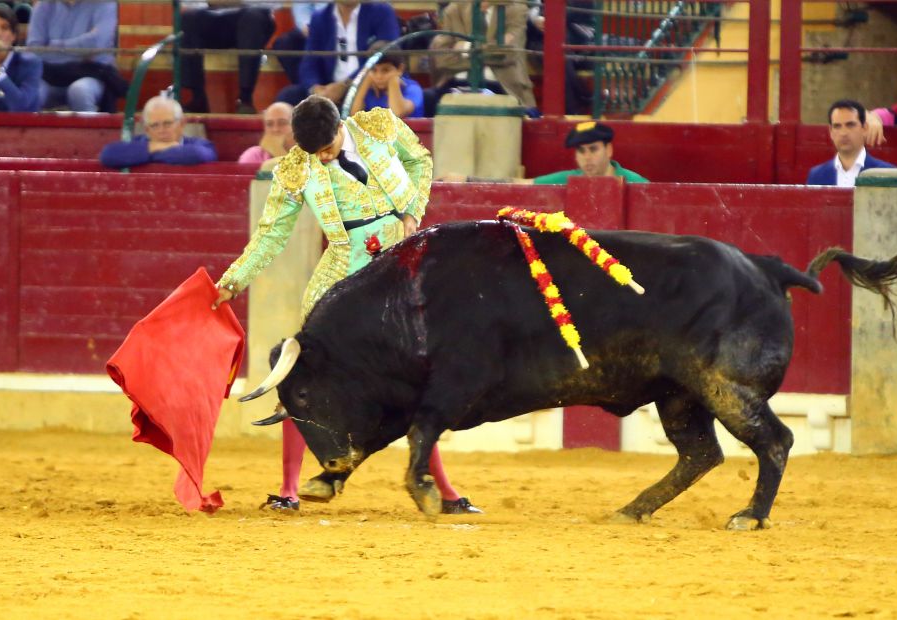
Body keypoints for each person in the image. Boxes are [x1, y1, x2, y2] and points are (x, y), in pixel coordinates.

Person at [212, 95, 481, 515]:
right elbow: (270, 234)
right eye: (313, 152)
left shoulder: (378, 127)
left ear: (341, 126)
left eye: (328, 148)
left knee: (415, 374)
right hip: (341, 268)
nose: (322, 157)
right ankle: (288, 489)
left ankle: (443, 490)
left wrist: (412, 211)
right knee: (300, 375)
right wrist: (232, 281)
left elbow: (420, 162)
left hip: (399, 261)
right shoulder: (297, 168)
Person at [275, 1, 400, 108]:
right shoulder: (320, 17)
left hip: (369, 85)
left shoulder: (382, 12)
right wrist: (316, 89)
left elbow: (386, 58)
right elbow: (309, 64)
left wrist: (345, 86)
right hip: (329, 88)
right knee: (287, 97)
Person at [440, 121, 648, 184]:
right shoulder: (569, 179)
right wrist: (466, 180)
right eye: (581, 151)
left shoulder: (635, 183)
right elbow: (520, 185)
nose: (587, 157)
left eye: (593, 149)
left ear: (609, 150)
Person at [429, 0, 537, 110]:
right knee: (428, 98)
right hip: (457, 84)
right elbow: (442, 58)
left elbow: (507, 55)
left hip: (501, 86)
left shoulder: (516, 9)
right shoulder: (455, 9)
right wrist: (491, 51)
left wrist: (466, 48)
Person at [179, 1, 276, 114]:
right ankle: (198, 98)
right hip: (214, 17)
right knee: (189, 17)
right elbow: (188, 3)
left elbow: (271, 3)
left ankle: (245, 100)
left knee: (253, 17)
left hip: (251, 17)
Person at [25, 0, 121, 113]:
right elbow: (34, 49)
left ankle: (90, 130)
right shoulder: (44, 5)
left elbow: (97, 43)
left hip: (92, 74)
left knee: (80, 91)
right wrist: (82, 51)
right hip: (50, 76)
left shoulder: (104, 3)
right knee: (32, 93)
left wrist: (53, 45)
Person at [100, 96, 218, 168]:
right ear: (147, 129)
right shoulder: (140, 142)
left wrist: (144, 154)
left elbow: (198, 154)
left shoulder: (198, 144)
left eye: (167, 123)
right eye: (154, 125)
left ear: (181, 123)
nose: (161, 130)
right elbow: (108, 154)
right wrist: (153, 147)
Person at [807, 99, 896, 187]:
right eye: (837, 126)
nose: (843, 133)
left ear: (865, 128)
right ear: (831, 131)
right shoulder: (816, 175)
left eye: (850, 125)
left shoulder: (887, 173)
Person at [348, 42, 424, 119]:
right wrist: (366, 81)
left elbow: (397, 114)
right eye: (374, 70)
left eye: (386, 70)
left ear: (400, 69)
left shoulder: (413, 88)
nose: (379, 76)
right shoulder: (368, 89)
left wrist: (393, 81)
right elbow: (353, 115)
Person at [0, 4, 40, 112]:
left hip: (20, 127)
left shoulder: (30, 63)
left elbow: (21, 107)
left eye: (5, 28)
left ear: (14, 36)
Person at [271, 1, 327, 86]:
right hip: (312, 27)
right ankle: (306, 87)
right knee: (285, 43)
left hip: (339, 27)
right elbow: (302, 10)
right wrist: (309, 27)